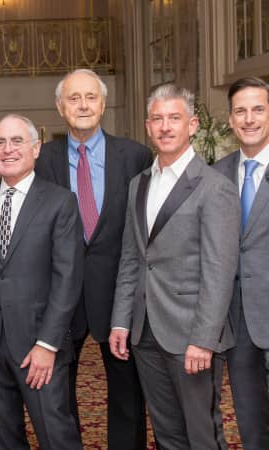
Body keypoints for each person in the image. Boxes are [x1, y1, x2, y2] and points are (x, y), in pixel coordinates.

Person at [109, 84, 239, 450]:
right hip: (145, 332)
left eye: (174, 118)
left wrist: (203, 339)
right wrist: (121, 320)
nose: (165, 127)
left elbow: (219, 271)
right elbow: (133, 257)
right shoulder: (139, 185)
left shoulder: (215, 189)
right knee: (167, 435)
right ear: (148, 127)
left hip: (191, 336)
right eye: (157, 119)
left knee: (202, 435)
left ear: (192, 124)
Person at [34, 68, 153, 449]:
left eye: (90, 97)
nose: (83, 104)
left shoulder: (135, 155)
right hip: (59, 296)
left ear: (103, 104)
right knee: (55, 395)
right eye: (74, 98)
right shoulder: (42, 158)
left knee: (127, 396)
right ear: (59, 107)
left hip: (119, 295)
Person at [0, 114, 84, 450]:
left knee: (57, 437)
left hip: (39, 347)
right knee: (4, 440)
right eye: (0, 142)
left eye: (16, 141)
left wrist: (48, 344)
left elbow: (67, 279)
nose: (7, 150)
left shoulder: (60, 202)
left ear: (35, 148)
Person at [212, 76, 269, 450]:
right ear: (231, 120)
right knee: (250, 424)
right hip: (238, 323)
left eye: (258, 109)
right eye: (240, 111)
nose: (249, 119)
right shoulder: (214, 176)